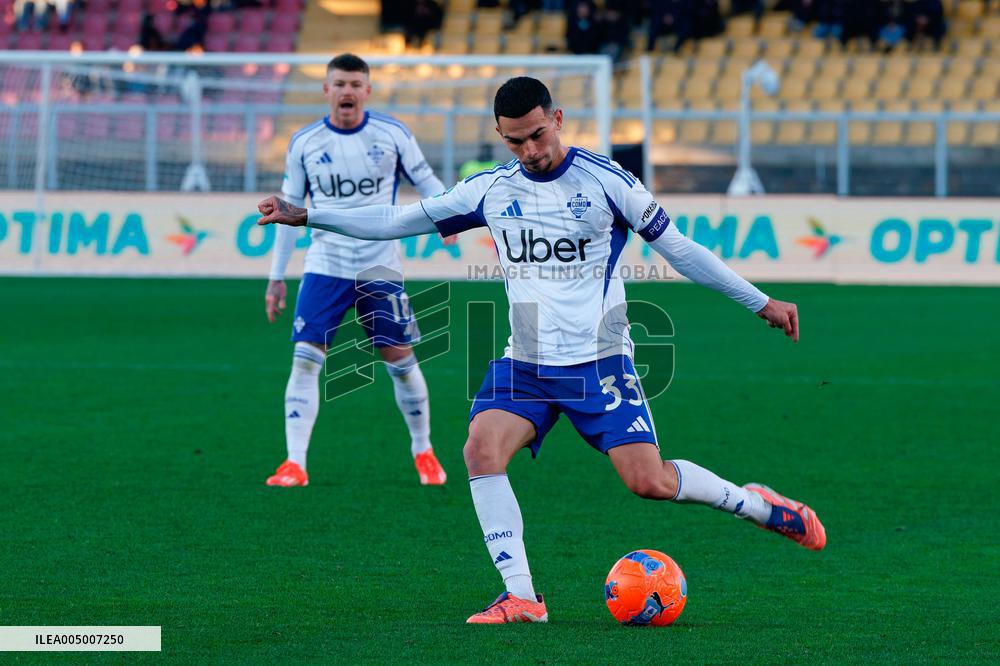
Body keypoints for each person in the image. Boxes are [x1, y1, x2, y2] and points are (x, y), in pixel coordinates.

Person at [255, 76, 826, 623]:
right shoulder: (491, 189)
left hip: (599, 360)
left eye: (537, 135)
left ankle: (758, 505)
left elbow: (680, 250)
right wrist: (307, 214)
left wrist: (760, 302)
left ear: (557, 120)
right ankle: (522, 596)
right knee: (480, 450)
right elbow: (395, 219)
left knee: (647, 482)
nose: (529, 150)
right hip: (523, 362)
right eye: (514, 140)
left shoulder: (609, 181)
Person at [263, 54, 449, 488]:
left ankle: (423, 450)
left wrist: (450, 220)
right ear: (326, 90)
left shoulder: (393, 135)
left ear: (367, 90)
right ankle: (294, 462)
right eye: (339, 84)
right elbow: (286, 213)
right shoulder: (305, 143)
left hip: (378, 264)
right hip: (325, 264)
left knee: (400, 360)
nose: (347, 91)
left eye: (355, 84)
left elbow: (428, 182)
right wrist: (276, 276)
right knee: (306, 359)